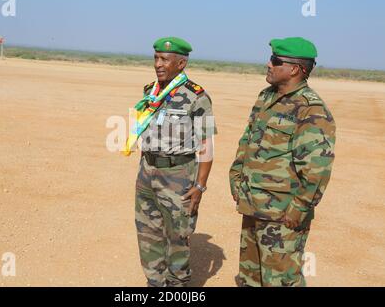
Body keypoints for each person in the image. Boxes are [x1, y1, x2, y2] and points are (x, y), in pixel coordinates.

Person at [229, 37, 336, 287]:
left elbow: (317, 168)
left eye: (276, 61)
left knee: (280, 280)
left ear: (295, 69)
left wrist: (299, 207)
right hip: (252, 204)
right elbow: (247, 142)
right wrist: (236, 179)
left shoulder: (311, 109)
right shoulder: (266, 97)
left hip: (283, 214)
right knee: (250, 277)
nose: (268, 64)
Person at [124, 37, 217, 287]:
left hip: (178, 176)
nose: (158, 64)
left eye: (165, 59)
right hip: (147, 172)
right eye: (156, 58)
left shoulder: (198, 97)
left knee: (177, 238)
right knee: (148, 235)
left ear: (181, 63)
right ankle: (154, 284)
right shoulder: (150, 92)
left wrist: (199, 187)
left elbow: (207, 146)